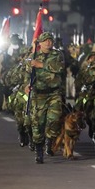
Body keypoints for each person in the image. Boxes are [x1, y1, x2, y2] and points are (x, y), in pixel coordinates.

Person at [26, 32, 65, 163]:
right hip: (39, 94)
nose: (48, 43)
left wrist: (41, 65)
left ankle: (49, 140)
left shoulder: (58, 55)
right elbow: (27, 73)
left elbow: (60, 68)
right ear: (40, 43)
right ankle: (39, 150)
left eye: (50, 40)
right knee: (38, 123)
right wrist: (26, 85)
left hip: (54, 93)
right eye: (45, 40)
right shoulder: (33, 56)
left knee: (54, 120)